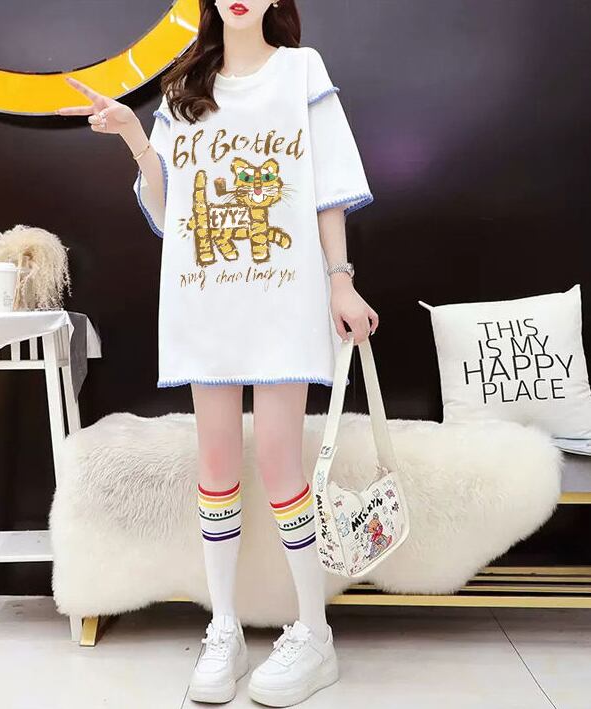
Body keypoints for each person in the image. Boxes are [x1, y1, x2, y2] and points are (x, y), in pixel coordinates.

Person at [57, 0, 378, 705]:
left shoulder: (301, 71)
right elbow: (170, 210)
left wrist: (341, 279)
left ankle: (314, 633)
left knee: (281, 463)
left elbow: (327, 185)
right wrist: (134, 137)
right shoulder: (183, 86)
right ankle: (224, 628)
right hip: (207, 299)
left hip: (282, 296)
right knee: (217, 465)